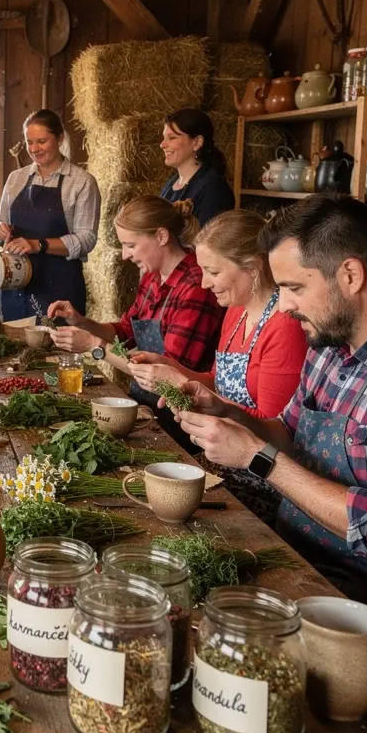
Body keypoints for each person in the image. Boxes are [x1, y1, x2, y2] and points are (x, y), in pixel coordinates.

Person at [169, 195, 367, 634]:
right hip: (292, 555)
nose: (282, 307)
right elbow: (287, 433)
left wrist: (255, 457)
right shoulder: (329, 345)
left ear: (351, 275)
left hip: (365, 609)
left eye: (294, 288)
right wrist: (228, 413)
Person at [128, 209, 308, 523]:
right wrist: (174, 371)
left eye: (213, 271)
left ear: (252, 267)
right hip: (220, 461)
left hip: (261, 480)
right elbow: (216, 379)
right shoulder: (236, 311)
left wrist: (217, 408)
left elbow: (276, 435)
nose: (205, 283)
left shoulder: (284, 326)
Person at [48, 195, 223, 434]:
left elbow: (167, 376)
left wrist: (93, 345)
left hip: (180, 418)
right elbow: (125, 332)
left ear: (161, 236)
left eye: (130, 245)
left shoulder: (195, 288)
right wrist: (82, 322)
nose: (124, 255)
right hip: (146, 404)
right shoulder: (152, 277)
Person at [0, 109, 99, 319]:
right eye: (29, 142)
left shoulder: (82, 182)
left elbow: (87, 239)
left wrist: (38, 244)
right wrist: (0, 231)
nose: (34, 149)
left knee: (57, 348)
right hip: (15, 283)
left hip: (59, 285)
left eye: (41, 141)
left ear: (60, 138)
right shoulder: (16, 178)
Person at [158, 109, 235, 227]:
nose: (162, 144)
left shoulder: (213, 188)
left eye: (172, 138)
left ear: (197, 142)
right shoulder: (171, 184)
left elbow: (208, 242)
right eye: (164, 138)